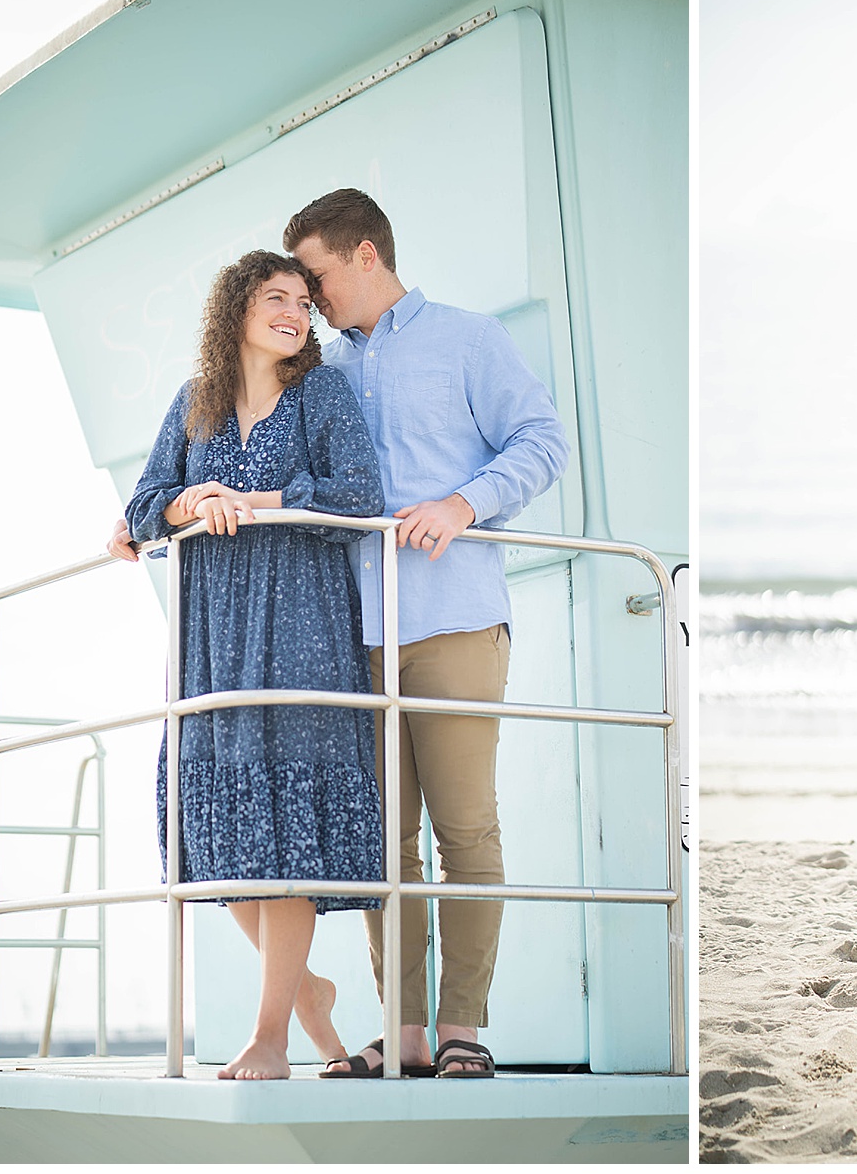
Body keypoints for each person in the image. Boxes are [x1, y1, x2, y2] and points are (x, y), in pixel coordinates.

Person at [285, 189, 570, 1079]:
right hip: (354, 632)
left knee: (466, 831)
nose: (310, 295)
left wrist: (463, 502)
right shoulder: (317, 371)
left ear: (366, 255)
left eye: (318, 275)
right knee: (381, 841)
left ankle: (463, 1031)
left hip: (454, 619)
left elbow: (541, 439)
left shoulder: (470, 339)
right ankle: (403, 1032)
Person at [124, 250, 386, 1080]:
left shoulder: (321, 393)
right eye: (276, 297)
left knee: (286, 824)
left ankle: (271, 1033)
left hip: (302, 627)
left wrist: (257, 502)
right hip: (211, 642)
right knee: (220, 830)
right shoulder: (194, 403)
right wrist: (189, 500)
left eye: (304, 302)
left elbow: (359, 495)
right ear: (234, 308)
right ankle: (305, 993)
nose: (294, 313)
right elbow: (141, 505)